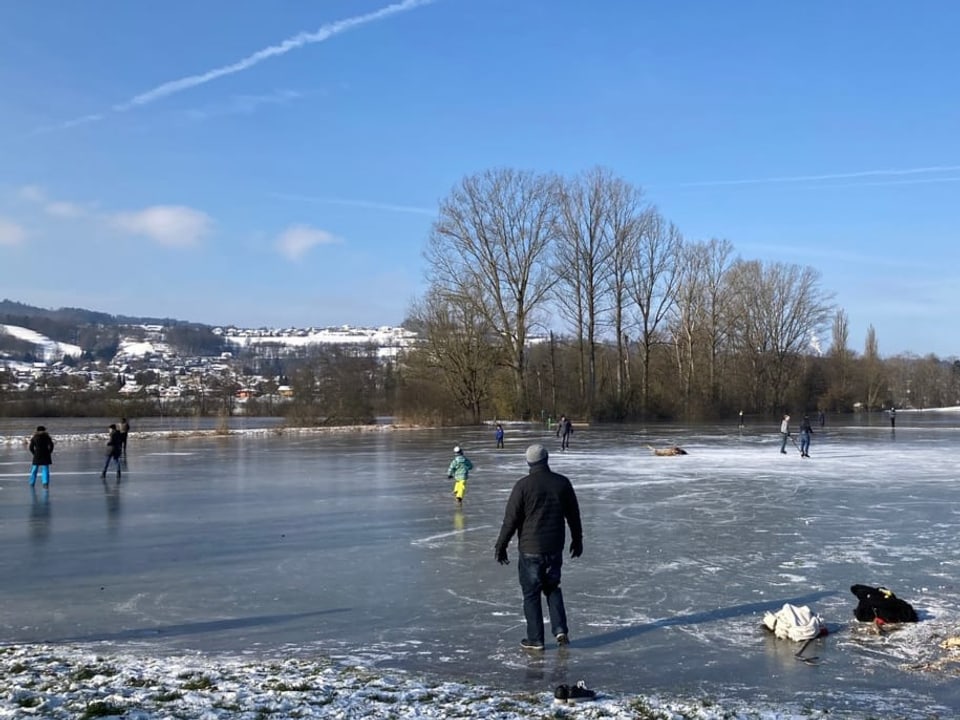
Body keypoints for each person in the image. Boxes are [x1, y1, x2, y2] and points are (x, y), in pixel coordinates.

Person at [494, 444, 583, 651]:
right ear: (546, 459)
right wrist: (577, 540)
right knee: (552, 587)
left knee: (531, 593)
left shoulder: (523, 486)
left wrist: (501, 545)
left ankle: (535, 639)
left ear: (529, 462)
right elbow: (573, 515)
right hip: (554, 547)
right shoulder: (562, 483)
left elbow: (511, 520)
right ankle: (560, 629)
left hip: (530, 549)